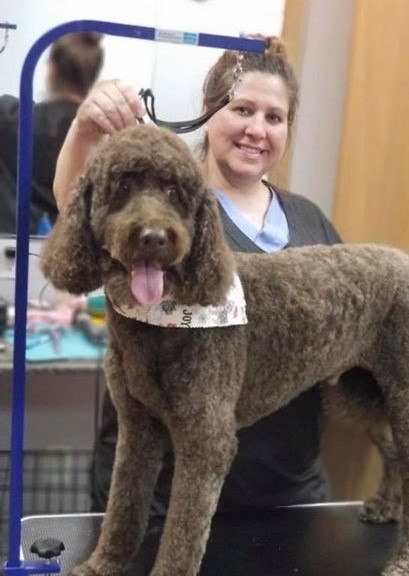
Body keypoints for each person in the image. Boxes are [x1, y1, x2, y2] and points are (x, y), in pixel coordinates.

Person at [53, 36, 342, 572]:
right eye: (242, 109)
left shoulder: (310, 221)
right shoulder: (169, 205)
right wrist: (84, 131)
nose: (258, 129)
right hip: (163, 504)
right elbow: (80, 211)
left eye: (275, 117)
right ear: (209, 112)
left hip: (287, 495)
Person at [0, 32, 104, 234]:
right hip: (73, 254)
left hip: (9, 254)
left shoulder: (7, 116)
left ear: (52, 70)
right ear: (92, 77)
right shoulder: (103, 135)